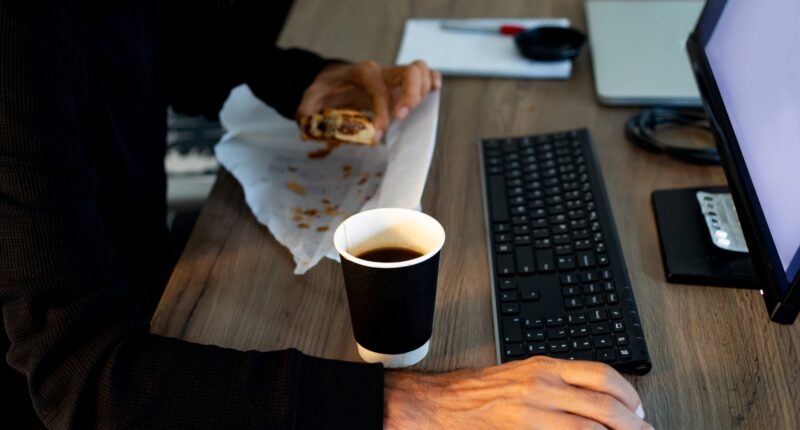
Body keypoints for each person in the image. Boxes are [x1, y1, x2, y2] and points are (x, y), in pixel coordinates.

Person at [0, 1, 652, 429]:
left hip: (152, 287)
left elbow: (181, 49)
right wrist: (416, 402)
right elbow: (79, 375)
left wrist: (313, 82)